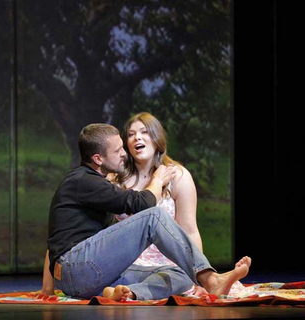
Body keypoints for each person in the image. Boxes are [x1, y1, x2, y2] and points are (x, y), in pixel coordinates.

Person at [43, 122, 250, 301]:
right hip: (77, 269)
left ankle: (128, 293)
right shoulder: (84, 181)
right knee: (154, 215)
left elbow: (58, 237)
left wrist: (48, 289)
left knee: (182, 275)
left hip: (91, 276)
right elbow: (143, 204)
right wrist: (158, 181)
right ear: (98, 159)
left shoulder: (97, 182)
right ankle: (211, 280)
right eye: (118, 151)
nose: (124, 153)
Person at [102, 112, 249, 300]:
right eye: (131, 134)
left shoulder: (178, 176)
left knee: (182, 278)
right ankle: (122, 288)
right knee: (117, 275)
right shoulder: (115, 179)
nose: (137, 137)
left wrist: (199, 279)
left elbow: (190, 230)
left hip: (168, 267)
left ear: (157, 138)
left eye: (144, 132)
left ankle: (129, 292)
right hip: (127, 264)